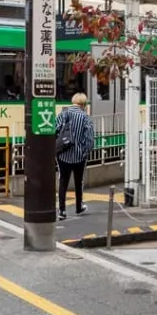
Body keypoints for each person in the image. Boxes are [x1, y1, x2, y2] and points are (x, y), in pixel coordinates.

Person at [55, 92, 96, 220]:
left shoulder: (63, 114)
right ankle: (79, 207)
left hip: (63, 154)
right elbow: (89, 139)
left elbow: (54, 129)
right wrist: (85, 151)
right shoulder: (85, 117)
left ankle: (62, 211)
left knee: (63, 181)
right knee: (79, 181)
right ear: (83, 104)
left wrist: (58, 146)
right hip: (79, 156)